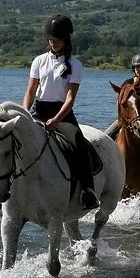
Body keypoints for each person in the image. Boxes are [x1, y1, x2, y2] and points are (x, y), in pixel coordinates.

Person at [23, 14, 100, 210]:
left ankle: (87, 192)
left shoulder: (75, 65)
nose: (53, 43)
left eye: (56, 40)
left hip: (62, 112)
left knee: (80, 146)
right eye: (50, 40)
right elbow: (31, 91)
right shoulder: (39, 61)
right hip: (39, 109)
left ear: (66, 39)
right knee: (18, 141)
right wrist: (24, 114)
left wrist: (57, 120)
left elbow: (70, 99)